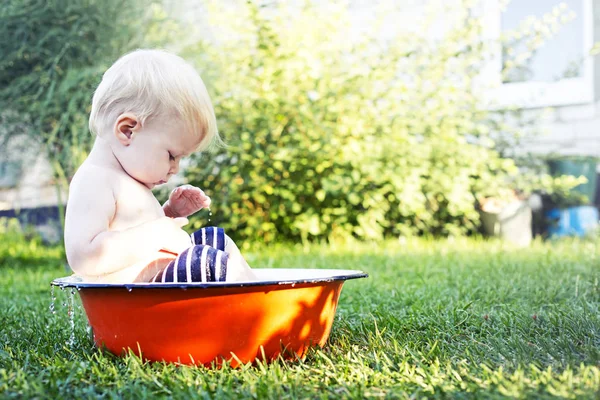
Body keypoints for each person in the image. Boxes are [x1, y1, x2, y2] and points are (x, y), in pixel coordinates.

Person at [64, 49, 256, 284]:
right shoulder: (95, 180)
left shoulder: (126, 178)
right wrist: (159, 231)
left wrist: (170, 214)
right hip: (134, 300)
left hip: (160, 283)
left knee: (215, 240)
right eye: (172, 155)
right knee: (208, 262)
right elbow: (84, 257)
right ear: (128, 130)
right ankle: (253, 308)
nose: (175, 168)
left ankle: (257, 295)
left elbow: (132, 232)